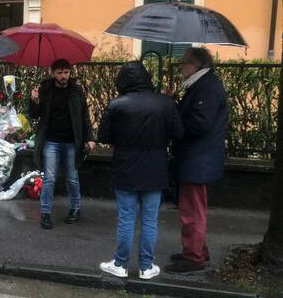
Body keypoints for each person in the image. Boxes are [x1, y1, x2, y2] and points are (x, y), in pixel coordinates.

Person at [97, 62, 184, 280]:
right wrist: (170, 104)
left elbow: (104, 136)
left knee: (126, 219)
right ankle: (146, 266)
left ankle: (120, 264)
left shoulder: (116, 105)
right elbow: (178, 132)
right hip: (155, 170)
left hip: (125, 169)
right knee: (150, 220)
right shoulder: (165, 103)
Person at [165, 47, 227, 274]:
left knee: (192, 211)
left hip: (197, 159)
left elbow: (199, 123)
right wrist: (176, 103)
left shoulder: (206, 88)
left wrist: (174, 118)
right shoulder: (204, 85)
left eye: (183, 64)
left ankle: (193, 258)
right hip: (198, 158)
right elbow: (196, 117)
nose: (181, 68)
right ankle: (198, 250)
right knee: (193, 208)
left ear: (195, 65)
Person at [29, 59, 95, 229]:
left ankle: (75, 208)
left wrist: (89, 138)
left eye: (66, 72)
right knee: (49, 179)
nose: (63, 76)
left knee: (72, 178)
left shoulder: (76, 91)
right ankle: (45, 213)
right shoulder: (45, 90)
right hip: (51, 141)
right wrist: (34, 101)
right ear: (52, 73)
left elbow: (84, 116)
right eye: (60, 72)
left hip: (72, 141)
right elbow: (34, 115)